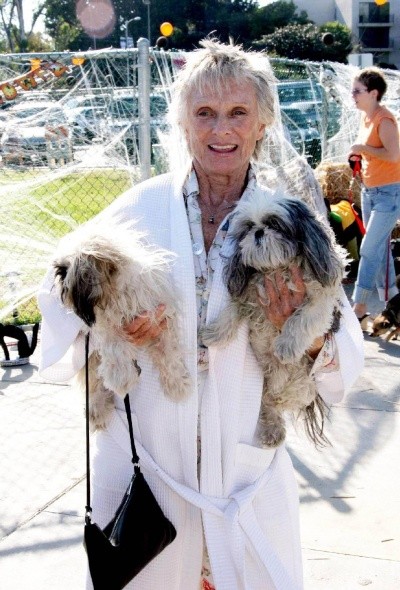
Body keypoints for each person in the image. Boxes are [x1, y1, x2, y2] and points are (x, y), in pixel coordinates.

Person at [38, 40, 364, 590]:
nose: (222, 130)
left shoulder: (285, 219)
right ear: (183, 123)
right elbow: (60, 287)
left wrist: (305, 339)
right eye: (205, 114)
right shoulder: (139, 209)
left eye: (238, 113)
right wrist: (113, 323)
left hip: (244, 470)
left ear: (262, 123)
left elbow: (340, 337)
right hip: (151, 470)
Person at [349, 67, 400, 327]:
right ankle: (393, 305)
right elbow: (374, 153)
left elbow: (393, 155)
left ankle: (357, 307)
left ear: (373, 93)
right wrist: (359, 157)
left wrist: (362, 148)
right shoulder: (366, 119)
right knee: (378, 251)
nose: (352, 95)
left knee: (369, 250)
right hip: (369, 192)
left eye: (357, 91)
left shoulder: (384, 120)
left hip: (389, 195)